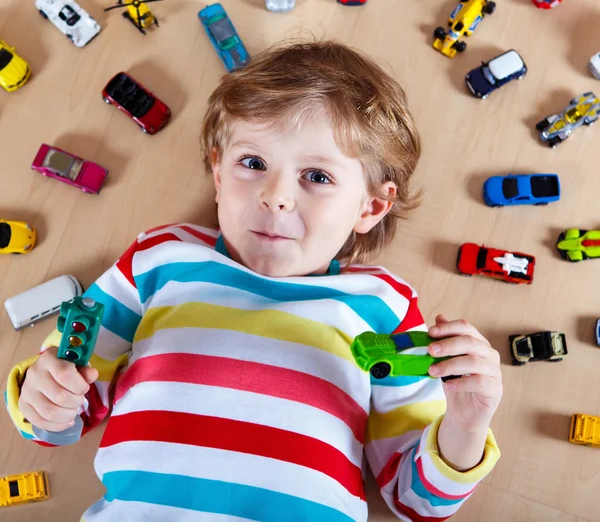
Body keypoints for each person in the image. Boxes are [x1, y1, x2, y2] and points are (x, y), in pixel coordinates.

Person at [7, 41, 502, 521]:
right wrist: (44, 395)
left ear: (370, 206)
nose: (276, 196)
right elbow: (64, 406)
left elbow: (417, 501)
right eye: (253, 163)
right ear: (219, 172)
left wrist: (466, 424)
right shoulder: (160, 257)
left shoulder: (384, 306)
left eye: (317, 176)